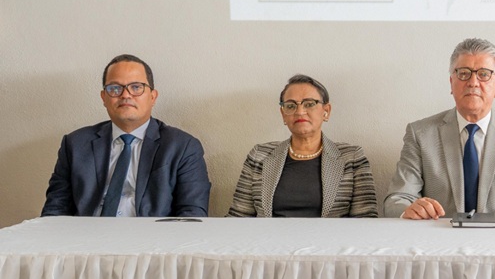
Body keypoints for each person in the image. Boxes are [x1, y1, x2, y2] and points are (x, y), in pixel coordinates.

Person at [383, 38, 495, 219]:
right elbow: (397, 199)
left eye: (484, 74)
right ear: (451, 83)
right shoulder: (420, 134)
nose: (473, 82)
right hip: (439, 234)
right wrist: (409, 210)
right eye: (464, 73)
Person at [42, 54, 210, 217]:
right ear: (104, 98)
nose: (125, 95)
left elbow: (192, 215)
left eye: (136, 87)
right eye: (115, 88)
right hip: (88, 234)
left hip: (152, 235)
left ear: (153, 97)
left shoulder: (183, 147)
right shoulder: (75, 144)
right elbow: (55, 211)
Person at [228, 74, 377, 218]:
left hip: (330, 236)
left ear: (326, 111)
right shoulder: (259, 156)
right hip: (269, 236)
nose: (300, 112)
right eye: (290, 106)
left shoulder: (351, 158)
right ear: (283, 114)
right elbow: (238, 218)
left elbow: (365, 222)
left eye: (309, 104)